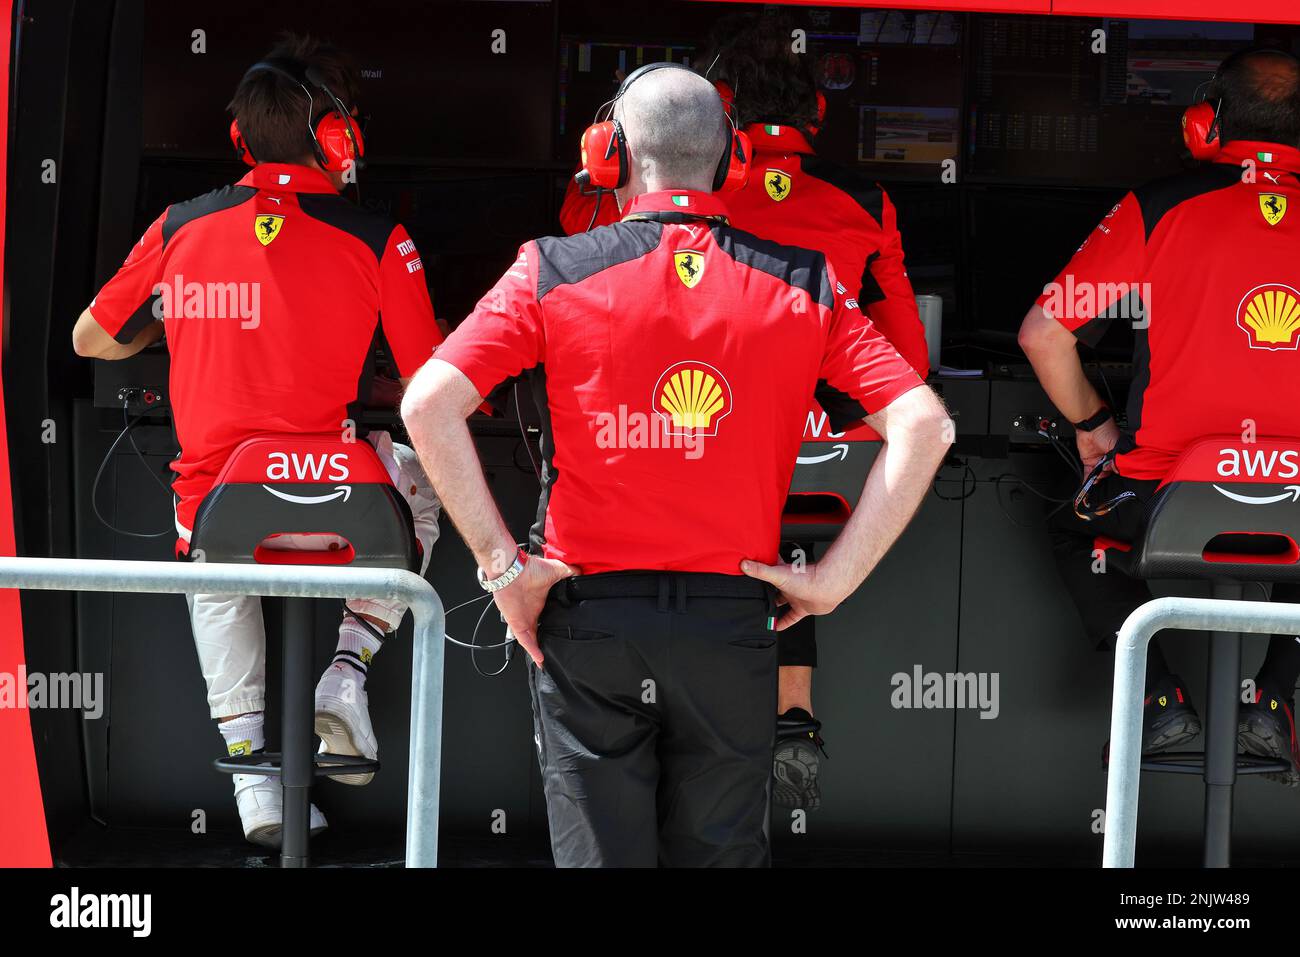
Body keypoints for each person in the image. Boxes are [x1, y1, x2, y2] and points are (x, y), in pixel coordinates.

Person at [402, 63, 950, 866]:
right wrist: (832, 581)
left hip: (588, 616)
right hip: (732, 621)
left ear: (612, 157)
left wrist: (501, 569)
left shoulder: (550, 268)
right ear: (731, 162)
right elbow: (925, 426)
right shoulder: (805, 282)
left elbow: (426, 405)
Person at [71, 34, 445, 844]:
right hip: (342, 516)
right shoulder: (383, 238)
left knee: (211, 557)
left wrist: (167, 325)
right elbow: (432, 387)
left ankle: (253, 781)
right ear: (338, 136)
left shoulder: (178, 226)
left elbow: (88, 338)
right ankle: (345, 669)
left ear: (240, 138)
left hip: (220, 522)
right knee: (421, 473)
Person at [559, 15, 931, 811]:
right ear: (818, 117)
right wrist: (830, 432)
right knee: (785, 532)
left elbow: (581, 263)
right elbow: (911, 368)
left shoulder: (671, 193)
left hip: (668, 467)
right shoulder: (865, 202)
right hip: (820, 463)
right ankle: (791, 713)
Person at [1018, 47, 1300, 784]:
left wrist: (1094, 428)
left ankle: (1156, 697)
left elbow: (1043, 337)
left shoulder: (1160, 207)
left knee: (1073, 525)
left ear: (1203, 125)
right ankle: (1278, 698)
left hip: (1165, 501)